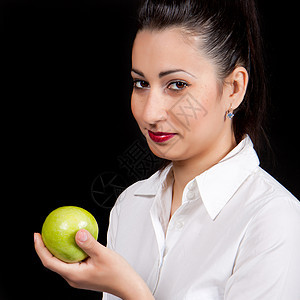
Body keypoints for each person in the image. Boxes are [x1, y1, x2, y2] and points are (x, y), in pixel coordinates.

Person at [34, 0, 300, 299]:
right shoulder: (130, 204)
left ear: (234, 89)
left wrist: (130, 289)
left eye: (176, 85)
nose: (150, 113)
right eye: (140, 83)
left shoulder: (273, 217)